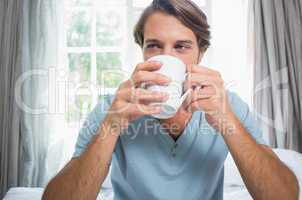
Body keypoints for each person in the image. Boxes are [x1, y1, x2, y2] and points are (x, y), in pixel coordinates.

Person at [42, 0, 299, 199]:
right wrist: (112, 125)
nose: (168, 58)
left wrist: (225, 119)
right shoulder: (113, 107)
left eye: (181, 46)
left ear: (201, 53)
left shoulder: (227, 105)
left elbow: (284, 196)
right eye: (153, 45)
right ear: (142, 51)